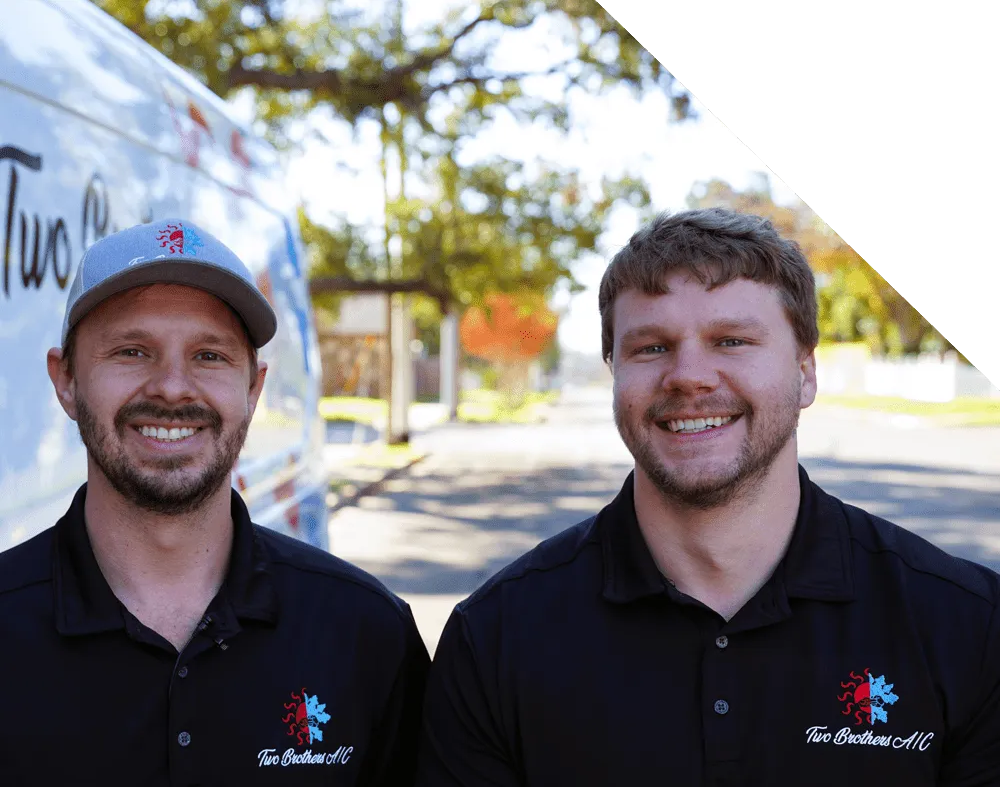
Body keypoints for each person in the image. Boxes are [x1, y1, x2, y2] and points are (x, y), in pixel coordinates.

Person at [416, 208, 1000, 786]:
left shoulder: (966, 625)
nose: (689, 376)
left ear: (805, 373)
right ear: (614, 373)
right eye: (650, 348)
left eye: (731, 340)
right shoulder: (495, 638)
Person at [0, 219, 429, 785]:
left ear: (253, 389)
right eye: (132, 350)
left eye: (209, 356)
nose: (173, 387)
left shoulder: (366, 633)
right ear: (67, 381)